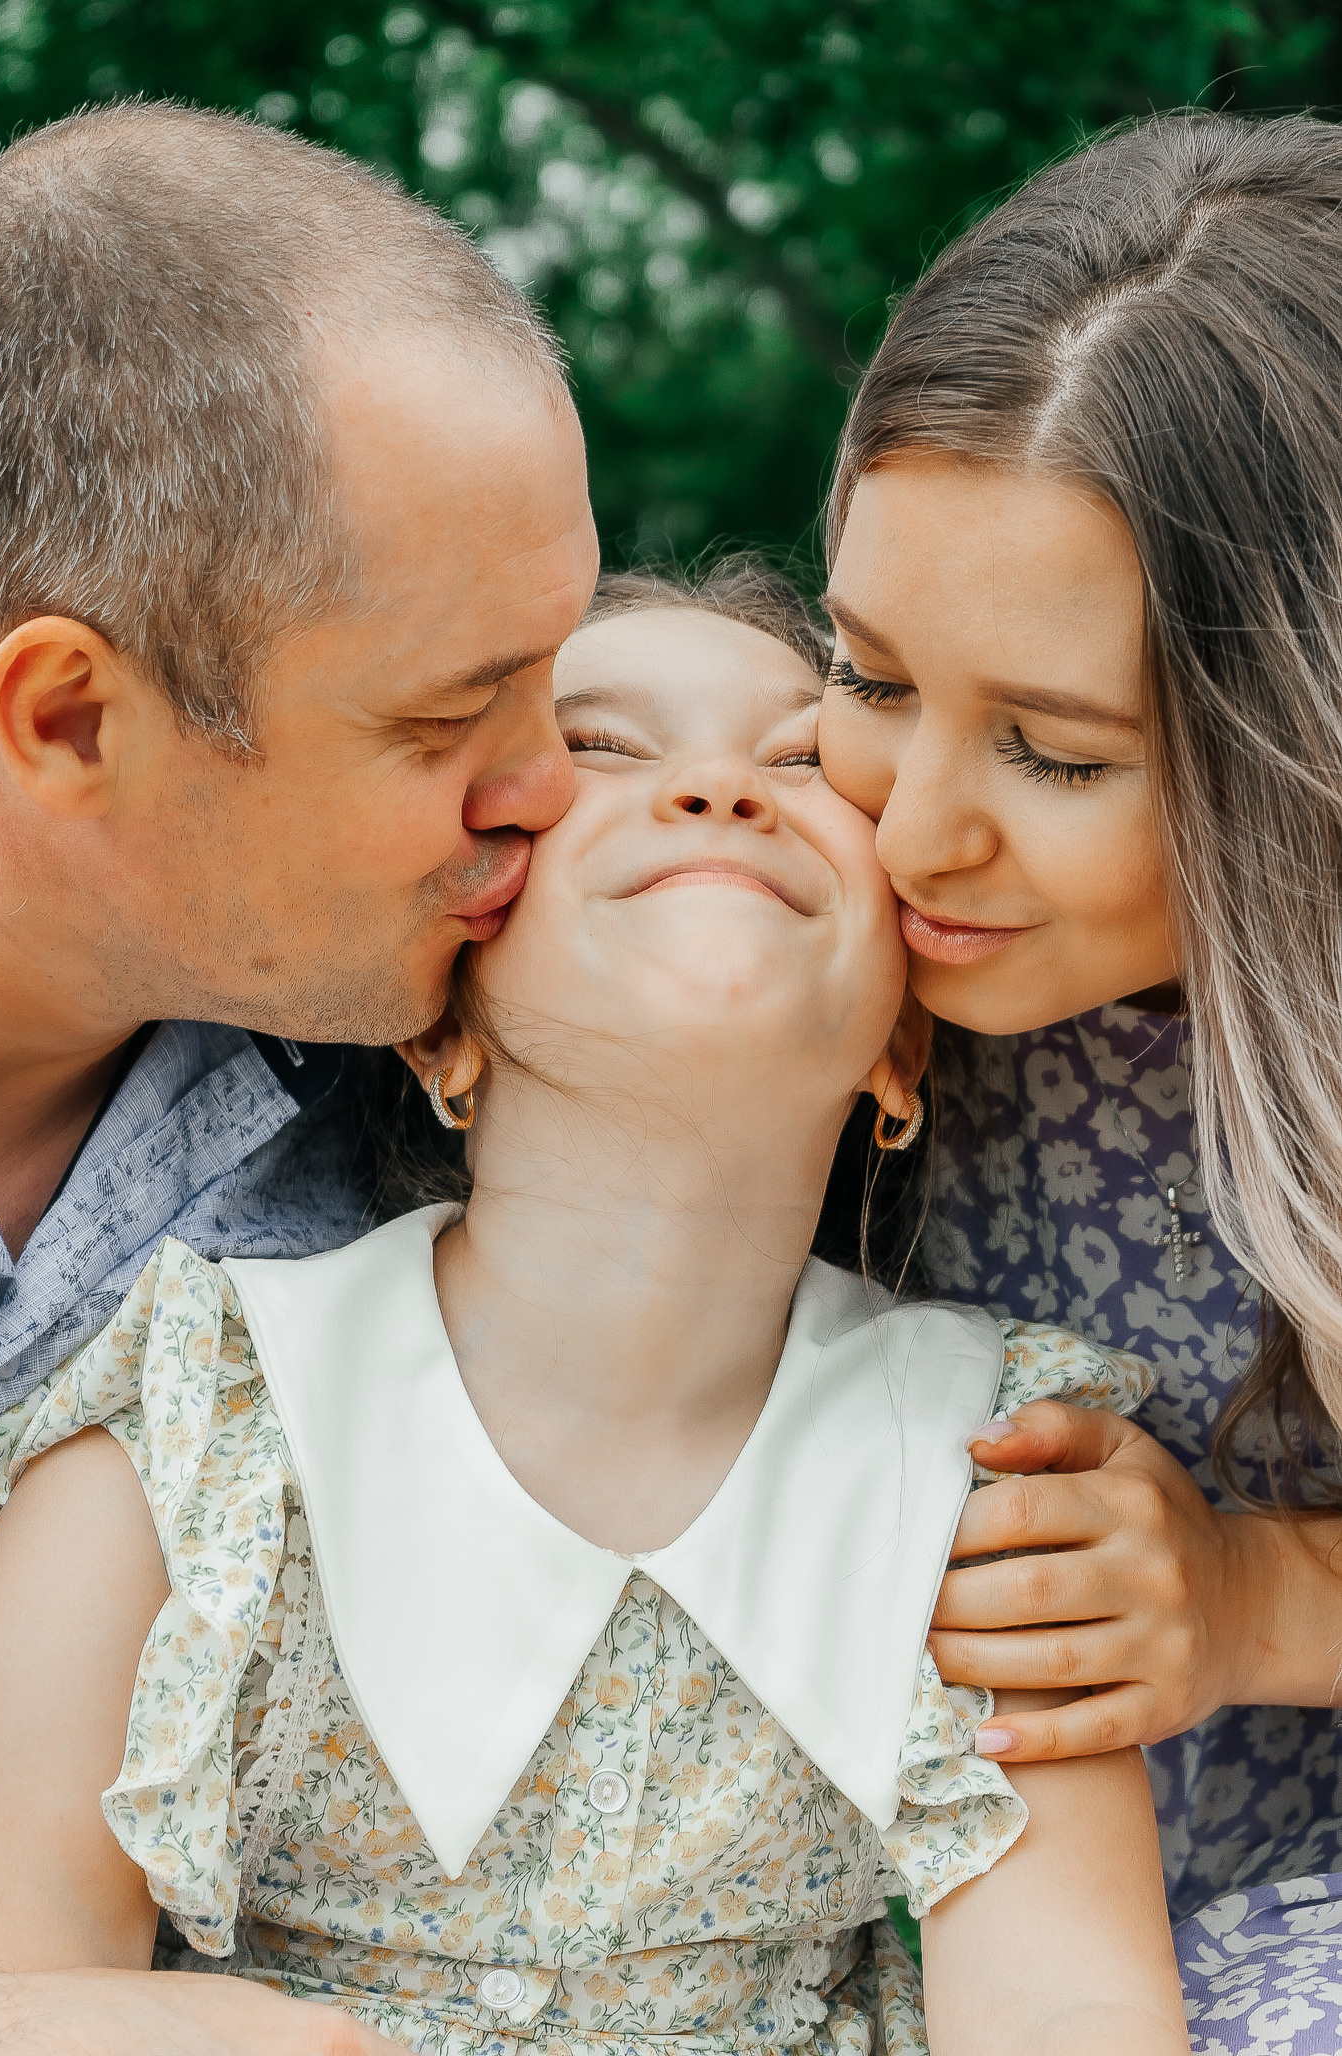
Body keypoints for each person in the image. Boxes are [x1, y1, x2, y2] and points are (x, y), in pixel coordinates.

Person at [0, 571, 1189, 2056]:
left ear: (901, 1049)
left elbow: (1072, 2006)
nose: (717, 791)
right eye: (603, 748)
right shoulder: (196, 1426)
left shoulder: (987, 1476)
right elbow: (7, 1987)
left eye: (801, 763)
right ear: (440, 1017)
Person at [0, 98, 596, 2056]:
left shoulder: (472, 1074)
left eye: (550, 676)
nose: (549, 786)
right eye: (441, 717)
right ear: (69, 715)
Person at [817, 109, 1342, 2049]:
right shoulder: (815, 896)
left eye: (1047, 751)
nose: (913, 829)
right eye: (867, 675)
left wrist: (1250, 1598)